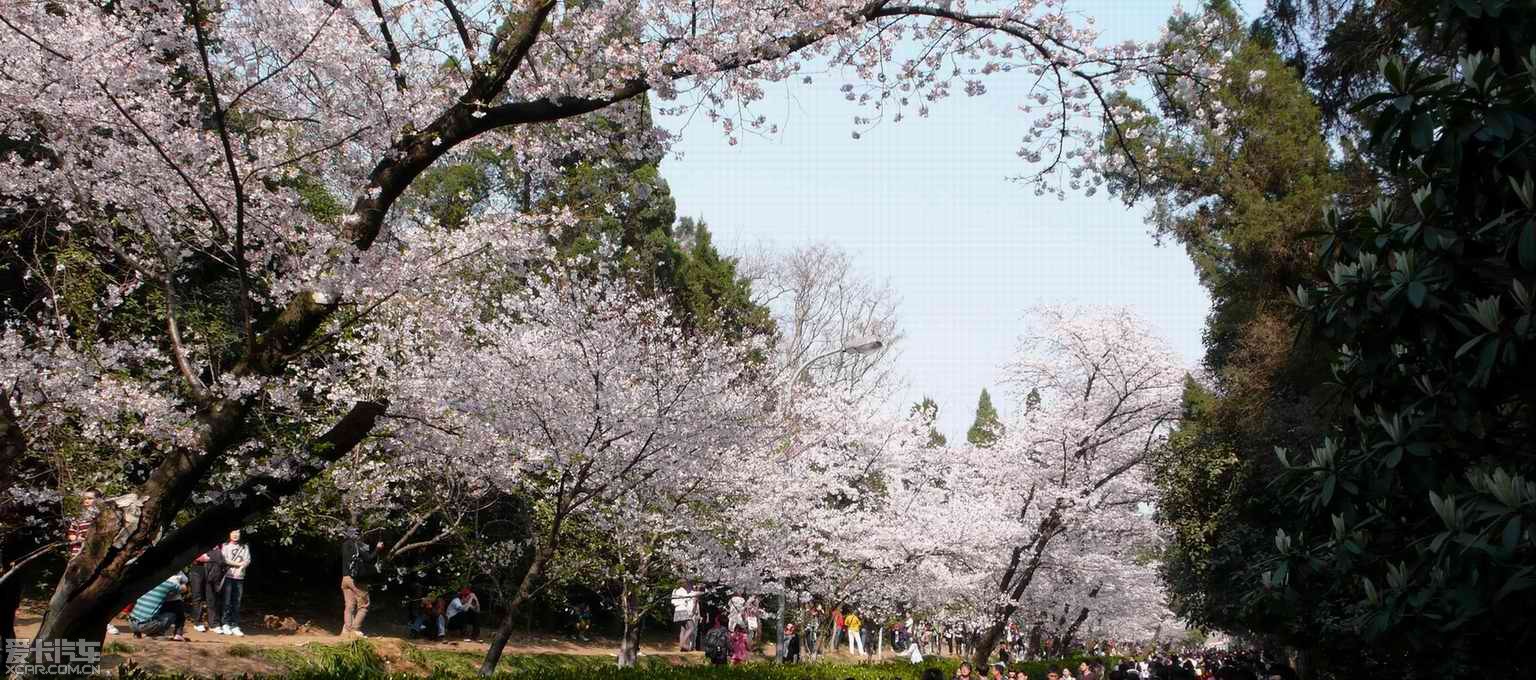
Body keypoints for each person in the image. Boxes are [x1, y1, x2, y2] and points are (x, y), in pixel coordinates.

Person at [340, 531, 383, 637]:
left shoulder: (344, 546)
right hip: (356, 580)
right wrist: (378, 548)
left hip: (345, 579)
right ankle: (355, 630)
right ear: (356, 537)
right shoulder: (357, 547)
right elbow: (369, 558)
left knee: (349, 606)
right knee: (364, 605)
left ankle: (347, 631)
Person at [128, 572, 189, 641]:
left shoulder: (149, 581)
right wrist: (182, 584)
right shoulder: (170, 585)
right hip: (146, 625)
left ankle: (137, 633)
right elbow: (184, 588)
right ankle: (154, 634)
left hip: (131, 623)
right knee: (175, 612)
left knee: (152, 609)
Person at [218, 528, 251, 636]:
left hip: (239, 577)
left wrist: (242, 566)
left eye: (238, 532)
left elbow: (248, 559)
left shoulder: (244, 546)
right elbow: (224, 560)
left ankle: (235, 624)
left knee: (237, 602)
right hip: (228, 576)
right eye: (233, 532)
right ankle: (225, 623)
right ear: (229, 533)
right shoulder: (225, 545)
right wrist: (238, 565)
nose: (236, 535)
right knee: (227, 601)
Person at [190, 543, 225, 633]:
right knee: (197, 596)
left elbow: (220, 556)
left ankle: (213, 624)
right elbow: (193, 554)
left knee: (212, 596)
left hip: (213, 570)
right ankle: (198, 623)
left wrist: (210, 558)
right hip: (198, 569)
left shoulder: (219, 541)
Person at [671, 582, 700, 651]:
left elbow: (672, 601)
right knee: (691, 627)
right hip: (683, 609)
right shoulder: (684, 591)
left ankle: (683, 647)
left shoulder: (675, 590)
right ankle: (682, 644)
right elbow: (694, 594)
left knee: (683, 629)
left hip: (677, 610)